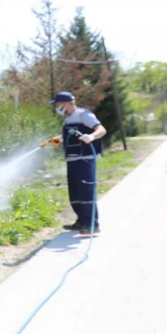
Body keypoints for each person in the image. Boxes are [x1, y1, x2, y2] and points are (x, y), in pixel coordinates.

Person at [48, 91, 107, 235]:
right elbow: (66, 136)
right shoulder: (68, 120)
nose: (56, 107)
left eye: (57, 104)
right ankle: (81, 221)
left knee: (86, 191)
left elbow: (101, 129)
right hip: (72, 159)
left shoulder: (83, 114)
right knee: (75, 193)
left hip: (85, 159)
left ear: (66, 104)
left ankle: (92, 225)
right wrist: (52, 141)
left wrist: (91, 137)